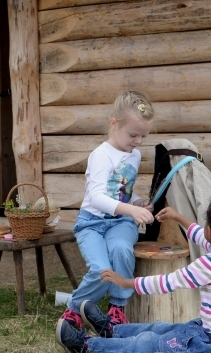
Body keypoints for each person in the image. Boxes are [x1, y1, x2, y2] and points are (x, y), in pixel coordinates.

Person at [57, 194, 211, 353]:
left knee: (150, 342)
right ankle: (112, 331)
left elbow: (168, 282)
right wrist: (178, 217)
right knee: (162, 328)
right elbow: (201, 236)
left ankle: (85, 344)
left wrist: (125, 281)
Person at [56, 91, 155, 337]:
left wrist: (137, 202)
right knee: (101, 271)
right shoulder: (101, 155)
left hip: (120, 221)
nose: (139, 141)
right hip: (92, 223)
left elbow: (122, 191)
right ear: (114, 123)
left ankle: (116, 311)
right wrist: (131, 209)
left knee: (122, 249)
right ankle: (75, 310)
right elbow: (97, 198)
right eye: (133, 135)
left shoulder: (135, 154)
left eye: (144, 135)